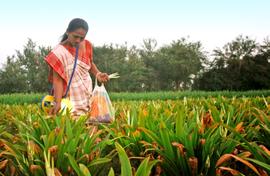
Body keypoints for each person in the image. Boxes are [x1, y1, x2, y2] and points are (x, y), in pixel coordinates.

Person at [45, 18, 109, 117]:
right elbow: (57, 81)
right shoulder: (58, 53)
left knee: (91, 123)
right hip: (70, 98)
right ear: (67, 32)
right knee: (72, 126)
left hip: (86, 93)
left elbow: (90, 64)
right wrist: (57, 102)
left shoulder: (86, 45)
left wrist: (98, 74)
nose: (78, 40)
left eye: (81, 38)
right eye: (75, 36)